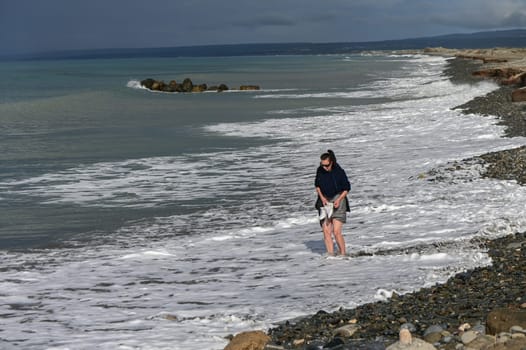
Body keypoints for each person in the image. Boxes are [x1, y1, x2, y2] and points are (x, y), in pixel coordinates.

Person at [314, 150, 351, 256]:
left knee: (336, 231)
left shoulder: (339, 172)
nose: (324, 168)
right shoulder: (320, 170)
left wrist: (339, 200)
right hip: (324, 200)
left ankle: (343, 254)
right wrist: (322, 198)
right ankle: (331, 255)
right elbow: (317, 185)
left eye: (326, 165)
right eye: (322, 165)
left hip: (339, 198)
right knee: (326, 231)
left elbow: (347, 188)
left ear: (332, 162)